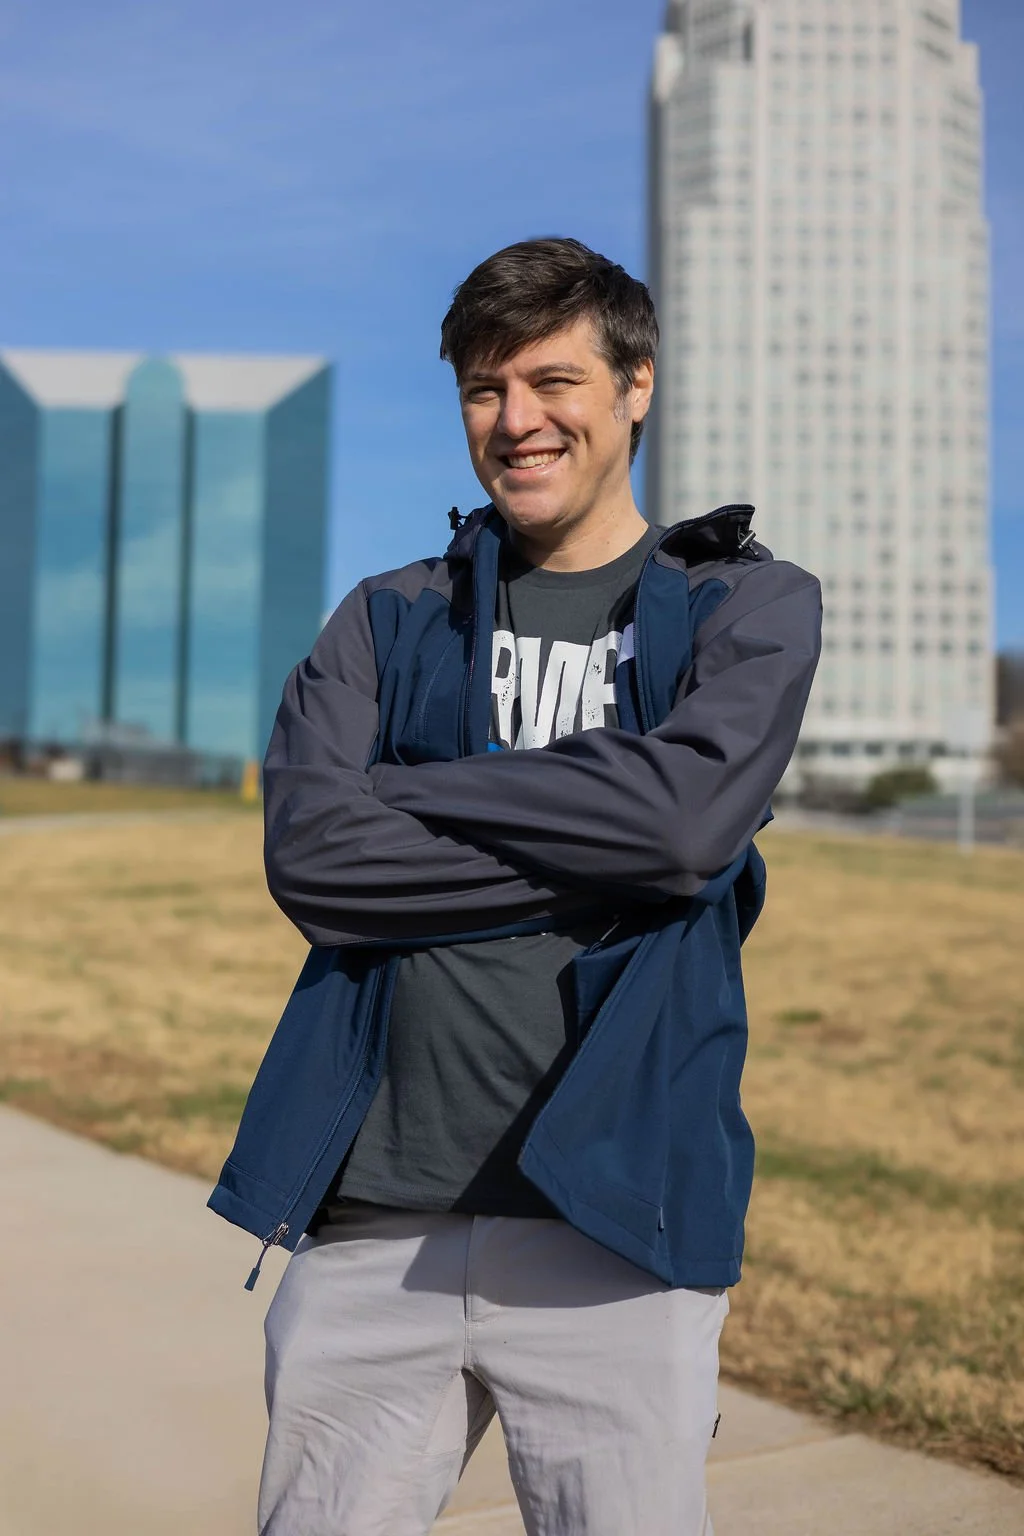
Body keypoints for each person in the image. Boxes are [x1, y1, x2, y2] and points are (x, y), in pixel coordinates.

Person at [209, 236, 822, 1536]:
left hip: (612, 1221)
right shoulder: (388, 617)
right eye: (485, 391)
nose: (517, 420)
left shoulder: (740, 607)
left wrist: (410, 789)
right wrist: (601, 836)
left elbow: (683, 829)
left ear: (636, 385)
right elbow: (317, 859)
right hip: (375, 1217)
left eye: (553, 381)